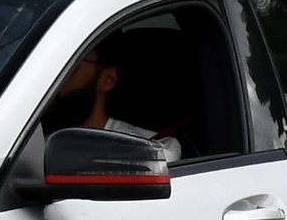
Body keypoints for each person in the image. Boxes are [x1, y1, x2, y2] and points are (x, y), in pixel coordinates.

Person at [35, 42, 185, 162]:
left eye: (71, 64)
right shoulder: (29, 143)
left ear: (108, 79)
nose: (53, 76)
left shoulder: (150, 152)